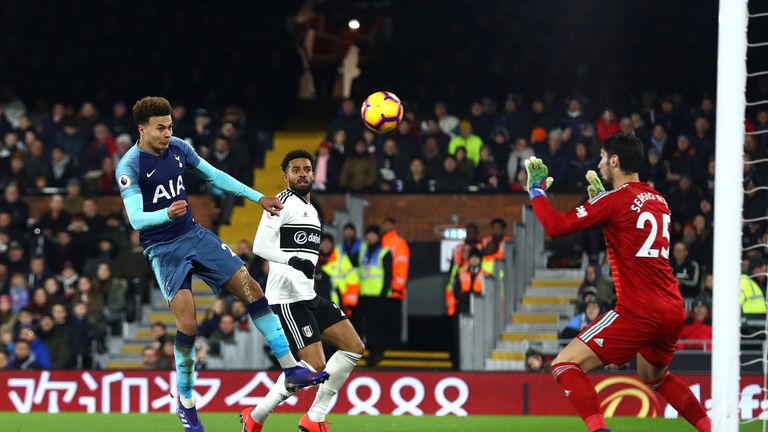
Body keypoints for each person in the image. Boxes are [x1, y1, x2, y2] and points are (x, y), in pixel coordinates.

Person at [115, 97, 328, 432]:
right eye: (160, 128)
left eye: (170, 126)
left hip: (194, 235)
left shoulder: (180, 149)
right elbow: (137, 219)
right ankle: (185, 401)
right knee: (188, 326)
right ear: (142, 129)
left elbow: (214, 175)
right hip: (162, 248)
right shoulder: (129, 166)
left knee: (252, 289)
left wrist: (258, 197)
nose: (168, 133)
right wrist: (165, 214)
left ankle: (290, 367)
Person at [524, 133, 710, 432]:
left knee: (563, 364)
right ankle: (711, 428)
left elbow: (557, 226)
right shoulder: (658, 199)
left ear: (615, 160)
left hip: (639, 310)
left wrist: (535, 192)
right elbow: (629, 234)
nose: (598, 164)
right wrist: (602, 202)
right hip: (672, 308)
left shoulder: (615, 200)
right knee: (654, 377)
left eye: (601, 157)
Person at [242, 150, 365, 432]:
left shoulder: (312, 209)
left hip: (308, 294)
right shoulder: (280, 203)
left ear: (313, 174)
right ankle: (257, 415)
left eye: (307, 169)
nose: (302, 174)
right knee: (313, 367)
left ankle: (314, 417)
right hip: (287, 299)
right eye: (295, 170)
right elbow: (259, 246)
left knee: (354, 347)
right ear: (286, 176)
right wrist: (291, 259)